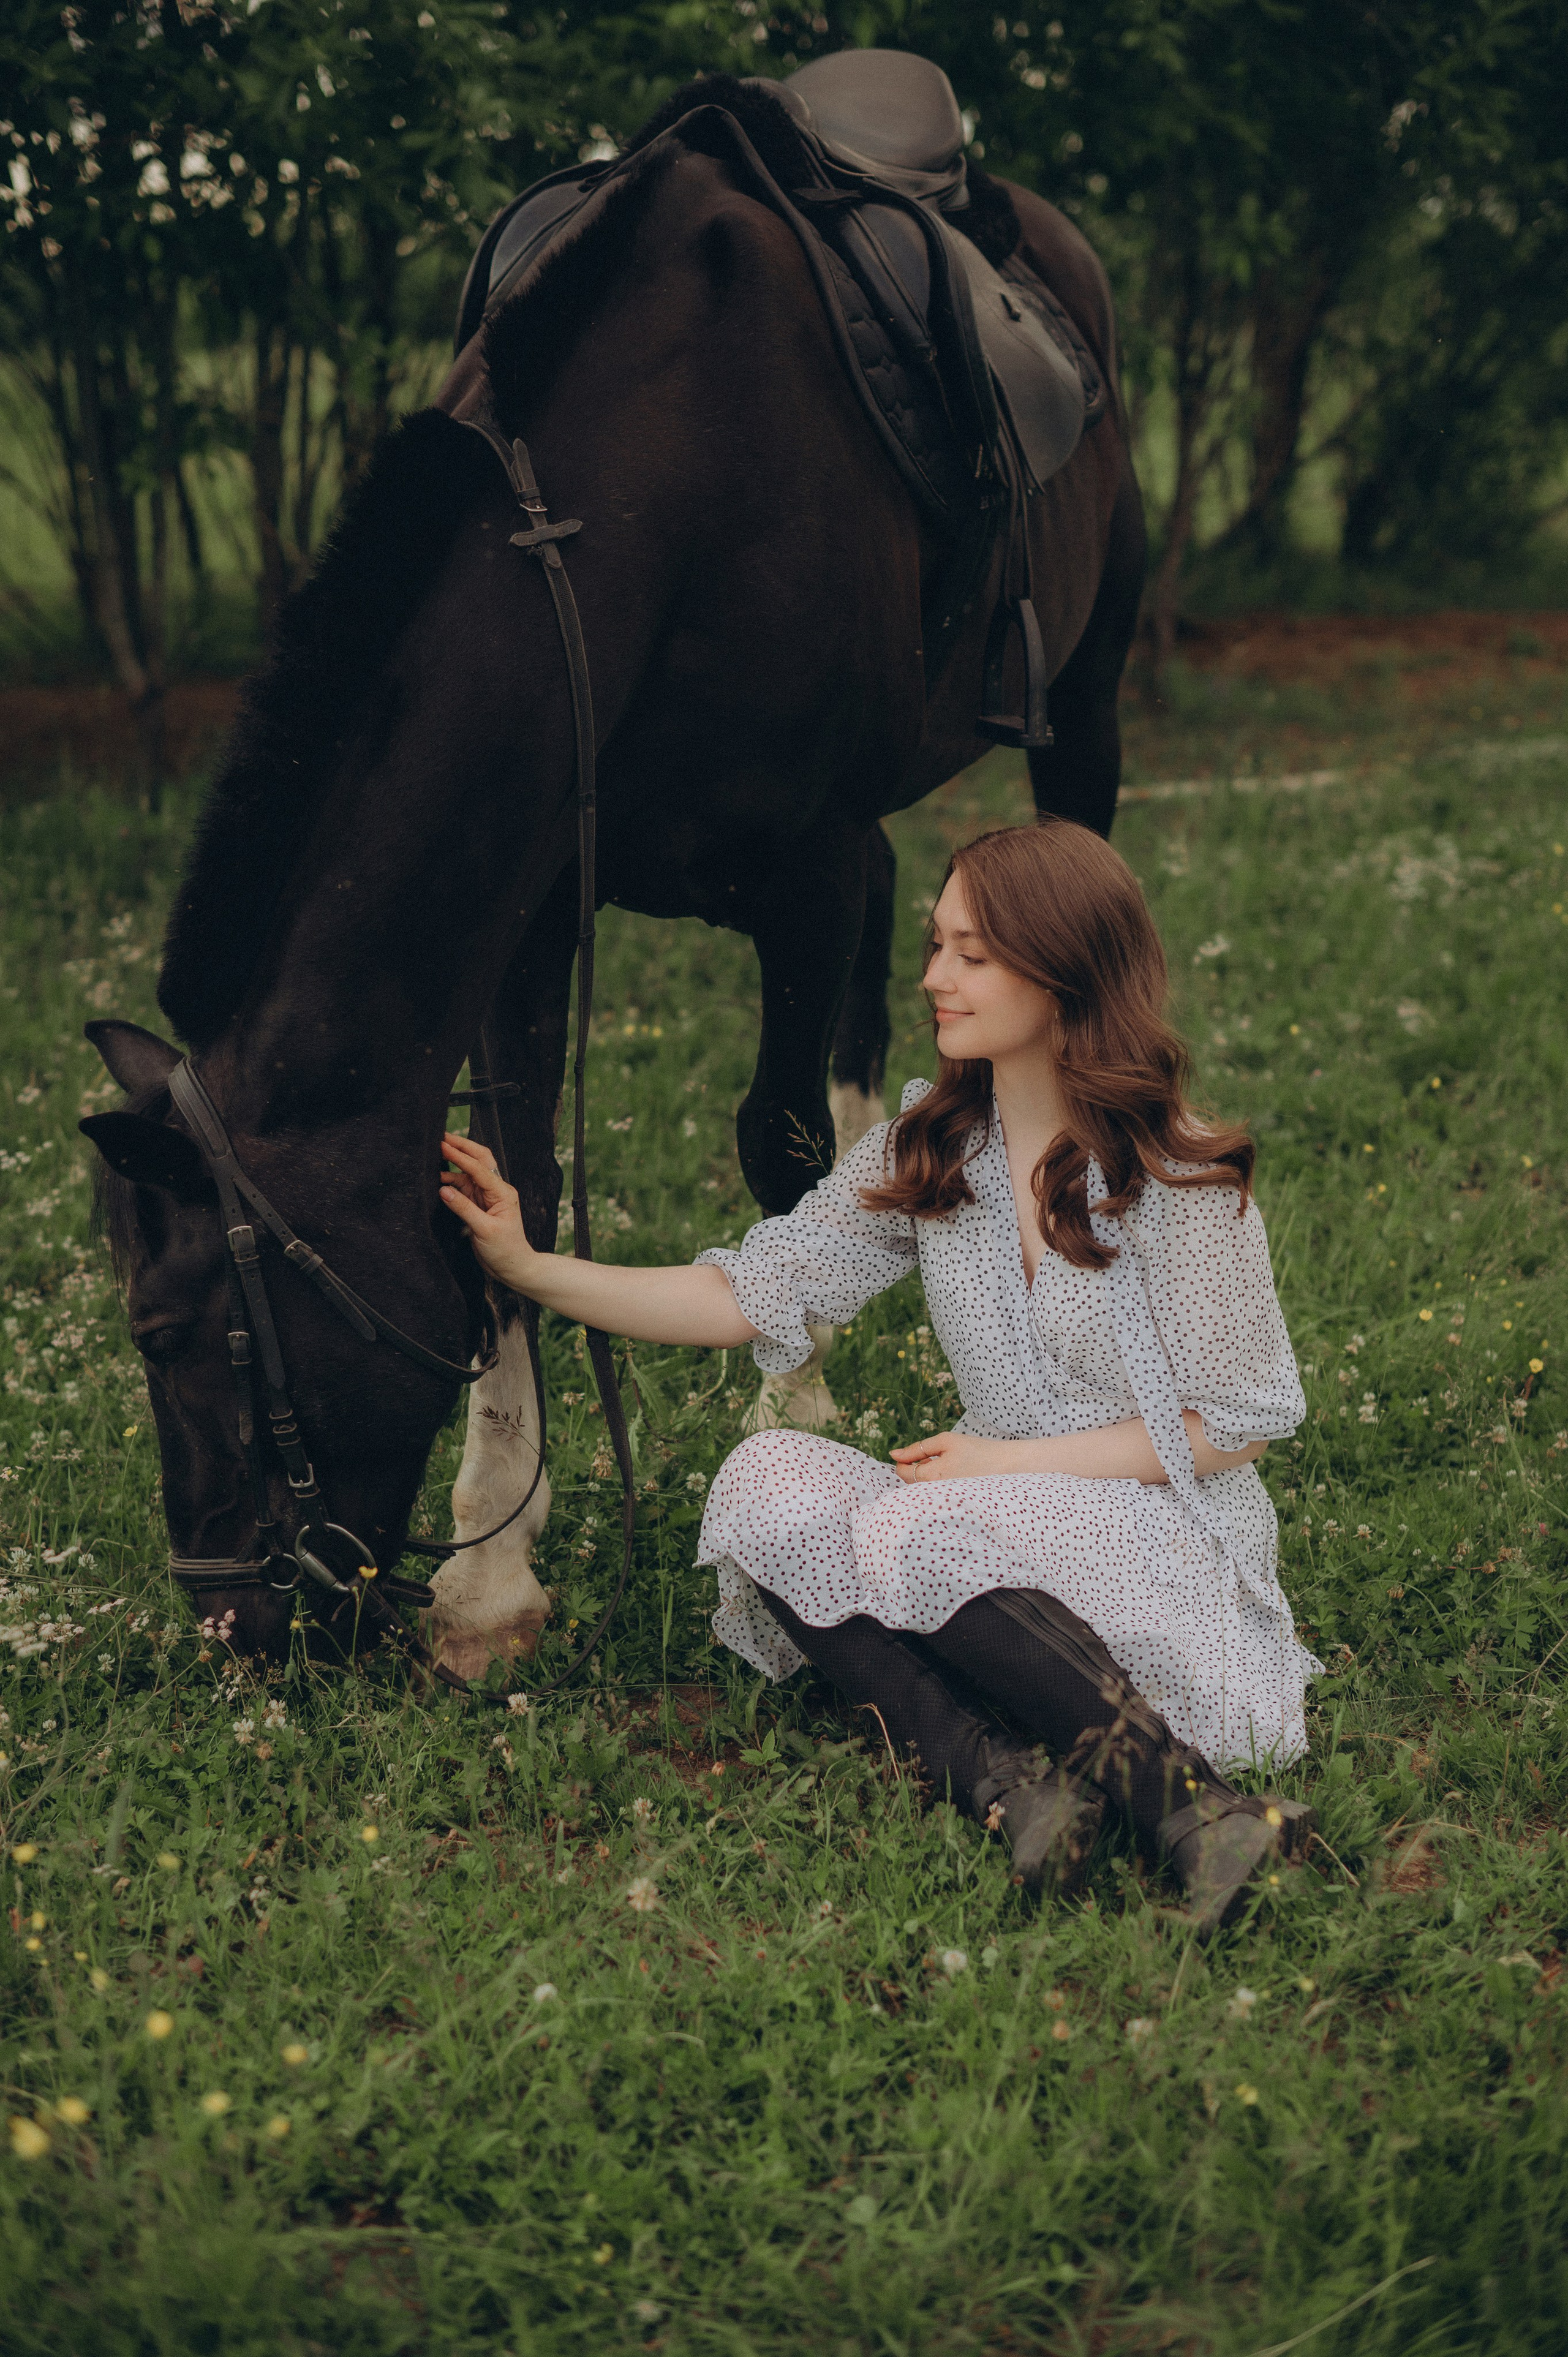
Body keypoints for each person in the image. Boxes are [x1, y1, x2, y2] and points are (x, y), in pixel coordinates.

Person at [440, 821, 1321, 1933]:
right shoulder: (936, 1145)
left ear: (1065, 971)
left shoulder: (1172, 1168)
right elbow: (748, 1291)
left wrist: (1004, 1466)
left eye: (973, 953)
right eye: (936, 943)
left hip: (1163, 1542)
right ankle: (1014, 1791)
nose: (933, 977)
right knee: (762, 1486)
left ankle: (1194, 1808)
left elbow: (1235, 1424)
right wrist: (530, 1267)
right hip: (995, 1528)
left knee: (912, 1525)